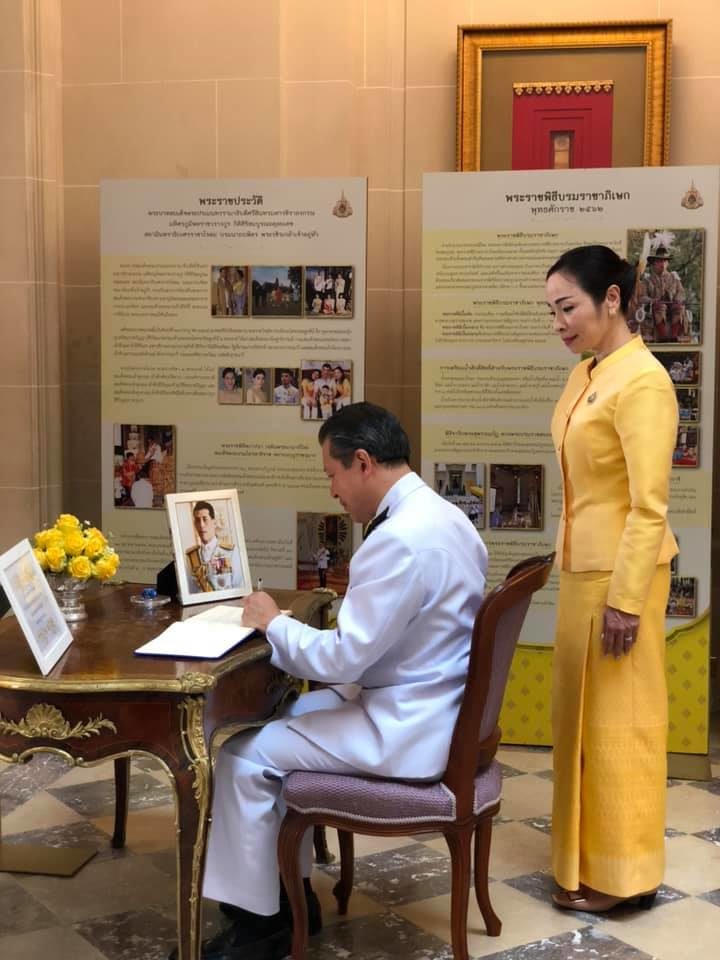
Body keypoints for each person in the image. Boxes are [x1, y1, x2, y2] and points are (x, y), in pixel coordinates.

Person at [183, 402, 488, 960]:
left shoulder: (398, 539)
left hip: (404, 731)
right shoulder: (448, 518)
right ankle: (288, 892)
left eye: (332, 474)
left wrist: (272, 623)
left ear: (363, 462)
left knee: (242, 754)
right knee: (287, 717)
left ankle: (261, 925)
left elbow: (346, 658)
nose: (332, 491)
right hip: (434, 707)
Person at [546, 245, 678, 914]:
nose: (559, 323)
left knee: (620, 725)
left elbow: (649, 505)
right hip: (582, 568)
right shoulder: (587, 373)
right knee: (580, 722)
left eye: (567, 307)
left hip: (624, 576)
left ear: (613, 299)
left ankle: (627, 876)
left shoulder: (644, 381)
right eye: (552, 310)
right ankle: (581, 860)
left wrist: (626, 601)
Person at [185, 500, 243, 593]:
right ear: (195, 524)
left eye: (205, 519)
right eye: (197, 520)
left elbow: (239, 587)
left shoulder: (231, 552)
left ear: (214, 523)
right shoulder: (190, 557)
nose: (201, 525)